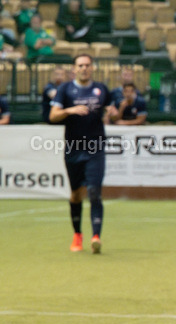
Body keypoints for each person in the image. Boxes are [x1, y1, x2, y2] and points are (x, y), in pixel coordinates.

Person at [50, 53, 117, 254]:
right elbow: (53, 116)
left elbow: (111, 110)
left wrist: (113, 113)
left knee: (94, 191)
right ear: (74, 69)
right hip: (73, 149)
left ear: (92, 68)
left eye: (87, 65)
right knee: (76, 194)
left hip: (96, 149)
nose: (84, 68)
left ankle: (96, 236)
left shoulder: (102, 89)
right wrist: (70, 111)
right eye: (80, 65)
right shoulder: (65, 89)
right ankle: (77, 234)